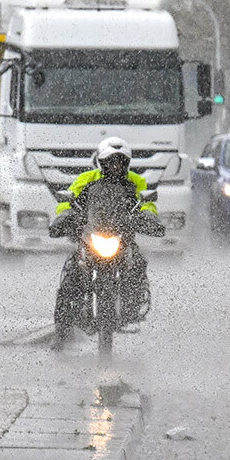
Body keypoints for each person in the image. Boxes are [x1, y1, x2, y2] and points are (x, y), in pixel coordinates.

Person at [50, 137, 159, 347]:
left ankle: (132, 306)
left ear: (127, 163)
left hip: (121, 238)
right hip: (92, 236)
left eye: (120, 161)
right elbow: (69, 199)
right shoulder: (87, 178)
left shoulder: (136, 181)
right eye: (110, 161)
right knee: (71, 275)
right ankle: (61, 331)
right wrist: (65, 217)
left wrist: (149, 218)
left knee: (136, 265)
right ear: (101, 162)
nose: (115, 165)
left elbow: (146, 205)